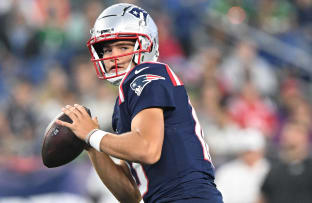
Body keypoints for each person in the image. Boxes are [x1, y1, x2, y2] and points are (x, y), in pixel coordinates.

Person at [56, 3, 223, 203]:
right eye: (106, 50)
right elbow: (130, 195)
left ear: (147, 46)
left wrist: (93, 135)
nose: (113, 57)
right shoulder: (124, 100)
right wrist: (92, 146)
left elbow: (147, 148)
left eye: (123, 47)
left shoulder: (146, 73)